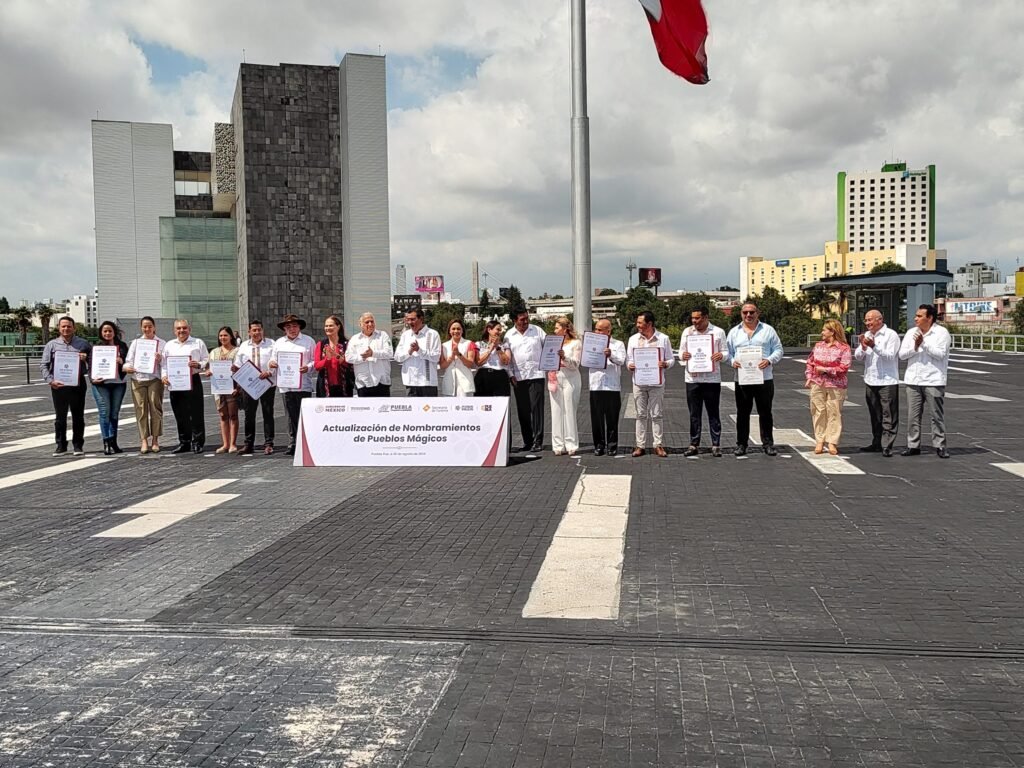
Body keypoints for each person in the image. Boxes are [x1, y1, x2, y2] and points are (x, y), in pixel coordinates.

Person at [726, 302, 784, 457]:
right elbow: (727, 353)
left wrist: (769, 360)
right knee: (742, 413)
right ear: (741, 314)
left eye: (751, 312)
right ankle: (741, 444)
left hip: (764, 378)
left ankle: (768, 444)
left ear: (758, 313)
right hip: (742, 379)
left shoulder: (768, 330)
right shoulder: (734, 332)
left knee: (765, 412)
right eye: (745, 312)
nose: (748, 315)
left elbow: (779, 349)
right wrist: (732, 361)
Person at [899, 304, 951, 459]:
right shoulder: (911, 333)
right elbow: (902, 355)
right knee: (913, 416)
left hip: (933, 379)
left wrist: (924, 344)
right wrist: (915, 347)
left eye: (920, 316)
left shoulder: (942, 333)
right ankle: (913, 445)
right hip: (913, 379)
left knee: (936, 415)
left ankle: (940, 445)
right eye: (916, 315)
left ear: (930, 318)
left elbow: (940, 354)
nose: (916, 319)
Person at [677, 306, 729, 457]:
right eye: (693, 318)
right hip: (693, 378)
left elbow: (726, 352)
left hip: (712, 378)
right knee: (694, 413)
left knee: (713, 412)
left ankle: (716, 444)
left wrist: (721, 356)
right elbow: (680, 351)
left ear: (706, 317)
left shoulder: (718, 332)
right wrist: (683, 355)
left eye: (697, 318)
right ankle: (694, 444)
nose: (694, 321)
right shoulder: (687, 332)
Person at [40, 316, 92, 456]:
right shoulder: (51, 345)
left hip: (78, 384)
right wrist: (50, 381)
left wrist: (85, 359)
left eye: (69, 326)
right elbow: (44, 365)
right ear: (59, 328)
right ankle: (61, 445)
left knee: (78, 416)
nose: (66, 329)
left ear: (74, 328)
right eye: (63, 326)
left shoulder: (83, 344)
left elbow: (92, 363)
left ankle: (78, 445)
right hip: (59, 385)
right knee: (60, 417)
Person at [626, 310, 674, 457]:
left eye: (640, 322)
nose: (637, 325)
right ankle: (640, 445)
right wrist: (630, 365)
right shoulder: (633, 339)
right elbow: (628, 359)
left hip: (656, 382)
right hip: (639, 382)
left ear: (650, 323)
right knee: (640, 414)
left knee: (657, 414)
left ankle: (657, 444)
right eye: (638, 322)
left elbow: (671, 359)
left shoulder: (663, 339)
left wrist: (665, 363)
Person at [854, 309, 900, 457]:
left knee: (888, 414)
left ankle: (887, 444)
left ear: (879, 320)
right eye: (866, 320)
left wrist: (874, 346)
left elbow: (890, 356)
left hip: (887, 380)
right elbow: (858, 357)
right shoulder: (867, 335)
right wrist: (863, 346)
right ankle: (876, 442)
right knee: (875, 414)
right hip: (870, 379)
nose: (867, 323)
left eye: (870, 320)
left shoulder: (891, 335)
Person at [269, 313, 316, 456]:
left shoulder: (308, 341)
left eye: (294, 326)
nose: (292, 329)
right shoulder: (279, 343)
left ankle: (306, 443)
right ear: (284, 329)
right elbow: (272, 360)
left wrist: (308, 367)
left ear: (299, 327)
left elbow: (315, 360)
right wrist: (272, 364)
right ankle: (293, 443)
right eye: (288, 326)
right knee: (290, 415)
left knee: (304, 414)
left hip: (303, 384)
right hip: (286, 385)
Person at [161, 318, 209, 454]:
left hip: (193, 380)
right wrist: (164, 376)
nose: (181, 331)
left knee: (196, 413)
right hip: (174, 383)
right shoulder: (169, 345)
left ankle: (198, 442)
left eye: (184, 328)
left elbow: (207, 359)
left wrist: (199, 364)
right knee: (180, 414)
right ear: (174, 330)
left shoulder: (198, 343)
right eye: (179, 328)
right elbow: (164, 364)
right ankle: (184, 442)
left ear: (189, 329)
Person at [805, 319, 852, 455]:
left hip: (836, 384)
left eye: (825, 330)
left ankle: (832, 441)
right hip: (817, 383)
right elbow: (810, 362)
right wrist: (809, 376)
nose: (822, 332)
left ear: (832, 331)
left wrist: (825, 369)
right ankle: (819, 440)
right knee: (818, 411)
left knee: (834, 412)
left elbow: (844, 367)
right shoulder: (818, 346)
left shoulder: (844, 348)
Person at [505, 308, 546, 452]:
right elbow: (507, 359)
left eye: (527, 318)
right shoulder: (509, 335)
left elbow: (548, 348)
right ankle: (527, 441)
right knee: (523, 410)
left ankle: (538, 440)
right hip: (518, 376)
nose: (525, 322)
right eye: (522, 319)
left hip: (536, 374)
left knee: (537, 408)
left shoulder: (537, 331)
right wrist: (510, 375)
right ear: (514, 320)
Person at [123, 316, 165, 454]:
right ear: (141, 328)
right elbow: (129, 360)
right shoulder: (136, 343)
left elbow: (165, 363)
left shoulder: (161, 343)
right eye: (144, 326)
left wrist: (160, 359)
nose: (147, 329)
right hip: (138, 379)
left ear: (154, 327)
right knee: (141, 410)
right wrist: (127, 368)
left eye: (149, 326)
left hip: (154, 379)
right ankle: (144, 440)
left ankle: (155, 440)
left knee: (155, 408)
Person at [234, 320, 276, 456]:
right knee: (249, 415)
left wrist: (269, 372)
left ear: (263, 330)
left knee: (268, 413)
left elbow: (276, 361)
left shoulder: (272, 344)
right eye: (254, 330)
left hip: (267, 383)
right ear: (249, 332)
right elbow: (238, 364)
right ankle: (248, 444)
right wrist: (235, 369)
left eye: (259, 330)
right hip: (249, 385)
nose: (256, 332)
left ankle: (269, 443)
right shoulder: (244, 346)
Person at [90, 320, 129, 455]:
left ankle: (114, 442)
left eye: (110, 331)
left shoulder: (122, 346)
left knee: (114, 413)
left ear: (114, 332)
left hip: (118, 383)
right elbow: (90, 366)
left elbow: (128, 363)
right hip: (101, 384)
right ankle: (106, 441)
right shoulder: (95, 347)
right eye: (105, 331)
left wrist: (121, 361)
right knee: (104, 412)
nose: (107, 333)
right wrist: (92, 379)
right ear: (101, 333)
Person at [588, 318, 627, 457]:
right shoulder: (590, 344)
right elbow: (584, 360)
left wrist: (611, 354)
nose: (597, 331)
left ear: (608, 331)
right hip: (596, 385)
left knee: (612, 418)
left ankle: (612, 445)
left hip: (612, 386)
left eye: (600, 329)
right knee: (597, 418)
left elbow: (622, 360)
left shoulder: (618, 344)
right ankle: (599, 445)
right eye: (596, 329)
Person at [548, 316, 582, 456]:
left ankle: (571, 443)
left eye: (557, 328)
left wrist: (564, 358)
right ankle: (557, 444)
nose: (554, 330)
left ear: (565, 329)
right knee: (556, 411)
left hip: (570, 378)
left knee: (569, 410)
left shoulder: (576, 343)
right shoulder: (553, 343)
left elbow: (575, 364)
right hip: (555, 377)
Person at [206, 326, 240, 454]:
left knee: (233, 415)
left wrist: (238, 387)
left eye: (225, 335)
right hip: (218, 388)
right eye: (221, 336)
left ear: (231, 336)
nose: (223, 338)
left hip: (232, 387)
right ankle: (225, 444)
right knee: (223, 415)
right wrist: (208, 372)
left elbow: (241, 368)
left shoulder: (237, 351)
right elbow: (209, 368)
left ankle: (233, 443)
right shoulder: (214, 352)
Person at [395, 308, 442, 396]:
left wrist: (419, 350)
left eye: (413, 319)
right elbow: (397, 357)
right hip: (410, 382)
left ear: (421, 319)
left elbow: (436, 357)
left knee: (429, 409)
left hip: (427, 382)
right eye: (408, 320)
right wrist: (409, 352)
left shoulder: (433, 334)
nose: (410, 322)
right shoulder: (406, 335)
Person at [345, 313, 394, 396]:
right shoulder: (355, 339)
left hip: (382, 382)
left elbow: (389, 353)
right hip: (364, 383)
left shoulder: (383, 335)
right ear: (360, 324)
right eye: (367, 322)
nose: (370, 324)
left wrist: (373, 353)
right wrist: (363, 357)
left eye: (372, 321)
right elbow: (348, 357)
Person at [313, 315, 354, 397]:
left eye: (331, 325)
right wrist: (327, 359)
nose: (328, 328)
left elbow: (350, 363)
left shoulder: (347, 344)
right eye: (326, 326)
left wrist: (337, 356)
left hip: (344, 385)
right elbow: (317, 366)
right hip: (325, 386)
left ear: (338, 327)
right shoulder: (320, 344)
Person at [474, 321, 513, 397]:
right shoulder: (479, 344)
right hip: (483, 376)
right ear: (489, 330)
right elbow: (478, 362)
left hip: (500, 376)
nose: (499, 332)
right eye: (497, 329)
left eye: (500, 330)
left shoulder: (504, 345)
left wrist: (497, 347)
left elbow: (506, 361)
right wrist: (490, 349)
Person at [439, 319, 476, 396]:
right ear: (449, 331)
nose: (456, 331)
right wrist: (451, 357)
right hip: (449, 382)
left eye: (458, 329)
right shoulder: (444, 346)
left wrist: (459, 354)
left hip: (465, 383)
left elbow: (470, 364)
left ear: (462, 331)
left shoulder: (469, 343)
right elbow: (442, 366)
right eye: (453, 329)